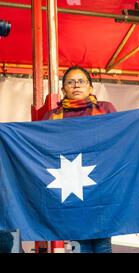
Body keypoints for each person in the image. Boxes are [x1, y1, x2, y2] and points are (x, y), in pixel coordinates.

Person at [42, 66, 116, 253]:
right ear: (63, 89)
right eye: (71, 82)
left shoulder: (105, 109)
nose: (76, 85)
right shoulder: (52, 116)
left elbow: (119, 139)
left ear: (90, 88)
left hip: (101, 184)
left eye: (81, 81)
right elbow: (41, 148)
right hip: (70, 187)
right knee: (78, 243)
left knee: (102, 243)